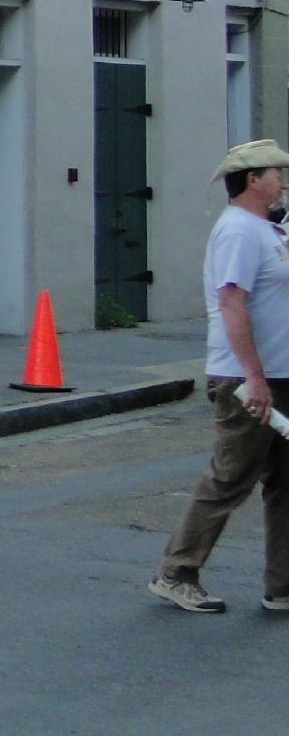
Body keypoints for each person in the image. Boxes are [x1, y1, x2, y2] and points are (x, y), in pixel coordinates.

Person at [150, 139, 289, 613]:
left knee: (285, 481)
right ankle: (176, 572)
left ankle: (282, 584)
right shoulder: (237, 232)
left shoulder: (266, 229)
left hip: (280, 372)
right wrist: (256, 379)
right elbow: (232, 302)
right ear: (254, 179)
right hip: (248, 376)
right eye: (277, 171)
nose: (283, 179)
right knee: (231, 477)